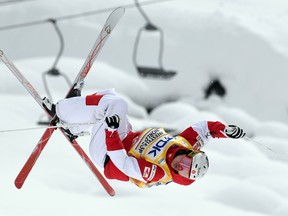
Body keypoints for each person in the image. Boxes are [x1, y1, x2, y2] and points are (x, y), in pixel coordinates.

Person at [43, 81, 246, 188]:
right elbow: (205, 128)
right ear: (190, 153)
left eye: (183, 172)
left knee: (111, 108)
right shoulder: (185, 143)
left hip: (107, 154)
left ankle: (61, 112)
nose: (179, 167)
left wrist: (112, 132)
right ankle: (74, 121)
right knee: (113, 100)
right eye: (185, 163)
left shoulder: (157, 171)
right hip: (123, 137)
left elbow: (122, 163)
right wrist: (225, 131)